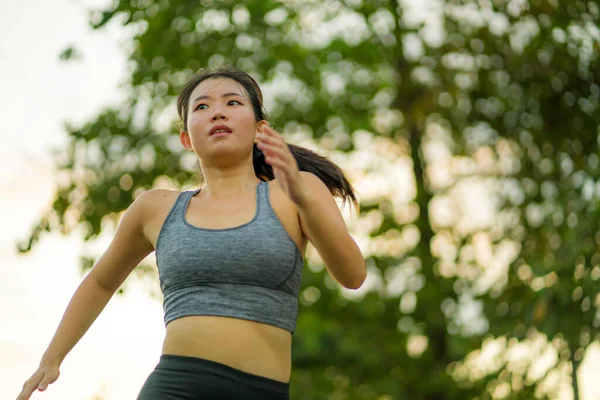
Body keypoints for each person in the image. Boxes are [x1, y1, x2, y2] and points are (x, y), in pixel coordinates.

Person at [17, 67, 367, 400]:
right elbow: (100, 282)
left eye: (233, 102)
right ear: (186, 137)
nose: (218, 112)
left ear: (261, 128)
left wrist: (305, 201)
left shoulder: (297, 190)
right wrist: (52, 358)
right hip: (176, 387)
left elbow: (352, 275)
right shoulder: (156, 208)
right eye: (202, 106)